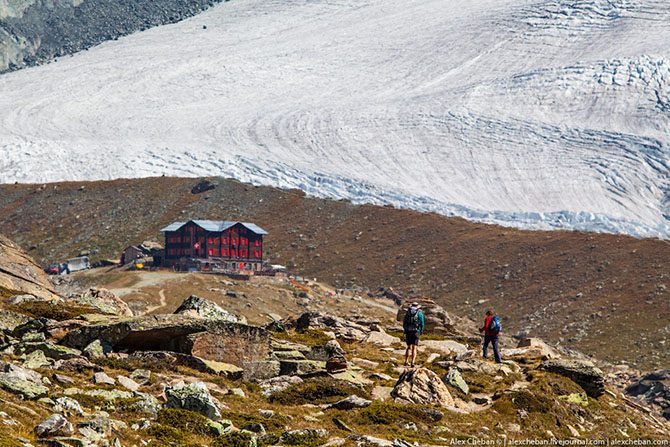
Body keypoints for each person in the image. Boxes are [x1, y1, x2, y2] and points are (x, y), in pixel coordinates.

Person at [403, 302, 425, 367]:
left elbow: (404, 323)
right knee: (414, 347)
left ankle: (406, 361)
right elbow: (422, 323)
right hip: (416, 332)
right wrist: (421, 331)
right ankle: (412, 362)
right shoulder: (419, 313)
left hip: (408, 331)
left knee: (408, 347)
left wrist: (405, 330)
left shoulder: (407, 313)